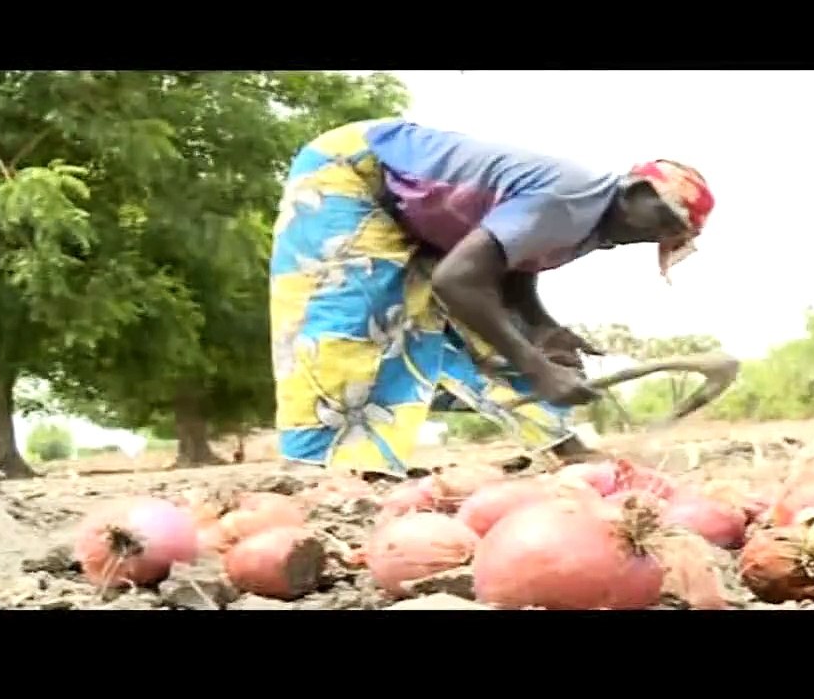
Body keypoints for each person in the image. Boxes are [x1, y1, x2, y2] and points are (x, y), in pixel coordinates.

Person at [269, 117, 715, 475]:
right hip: (354, 172)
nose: (655, 237)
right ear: (637, 193)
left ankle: (561, 446)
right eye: (663, 221)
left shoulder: (592, 226)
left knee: (499, 333)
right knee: (357, 313)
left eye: (670, 235)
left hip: (418, 224)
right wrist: (535, 364)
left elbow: (511, 272)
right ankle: (320, 467)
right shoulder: (574, 197)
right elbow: (456, 280)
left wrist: (543, 330)